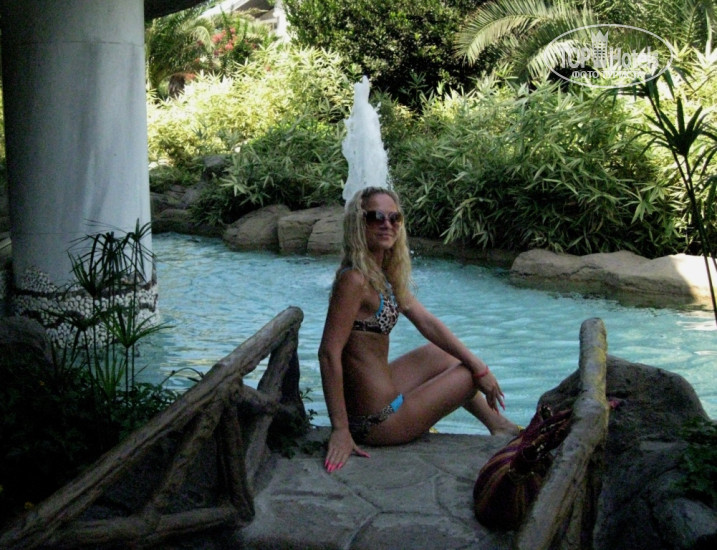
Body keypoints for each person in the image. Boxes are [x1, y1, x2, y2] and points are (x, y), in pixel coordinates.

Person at [318, 186, 520, 473]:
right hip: (378, 422)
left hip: (378, 400)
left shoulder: (382, 276)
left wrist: (480, 365)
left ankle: (499, 425)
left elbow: (427, 323)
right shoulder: (354, 280)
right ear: (358, 223)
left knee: (443, 354)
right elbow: (328, 353)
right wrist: (340, 429)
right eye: (376, 217)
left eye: (394, 218)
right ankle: (501, 426)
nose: (387, 224)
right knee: (468, 376)